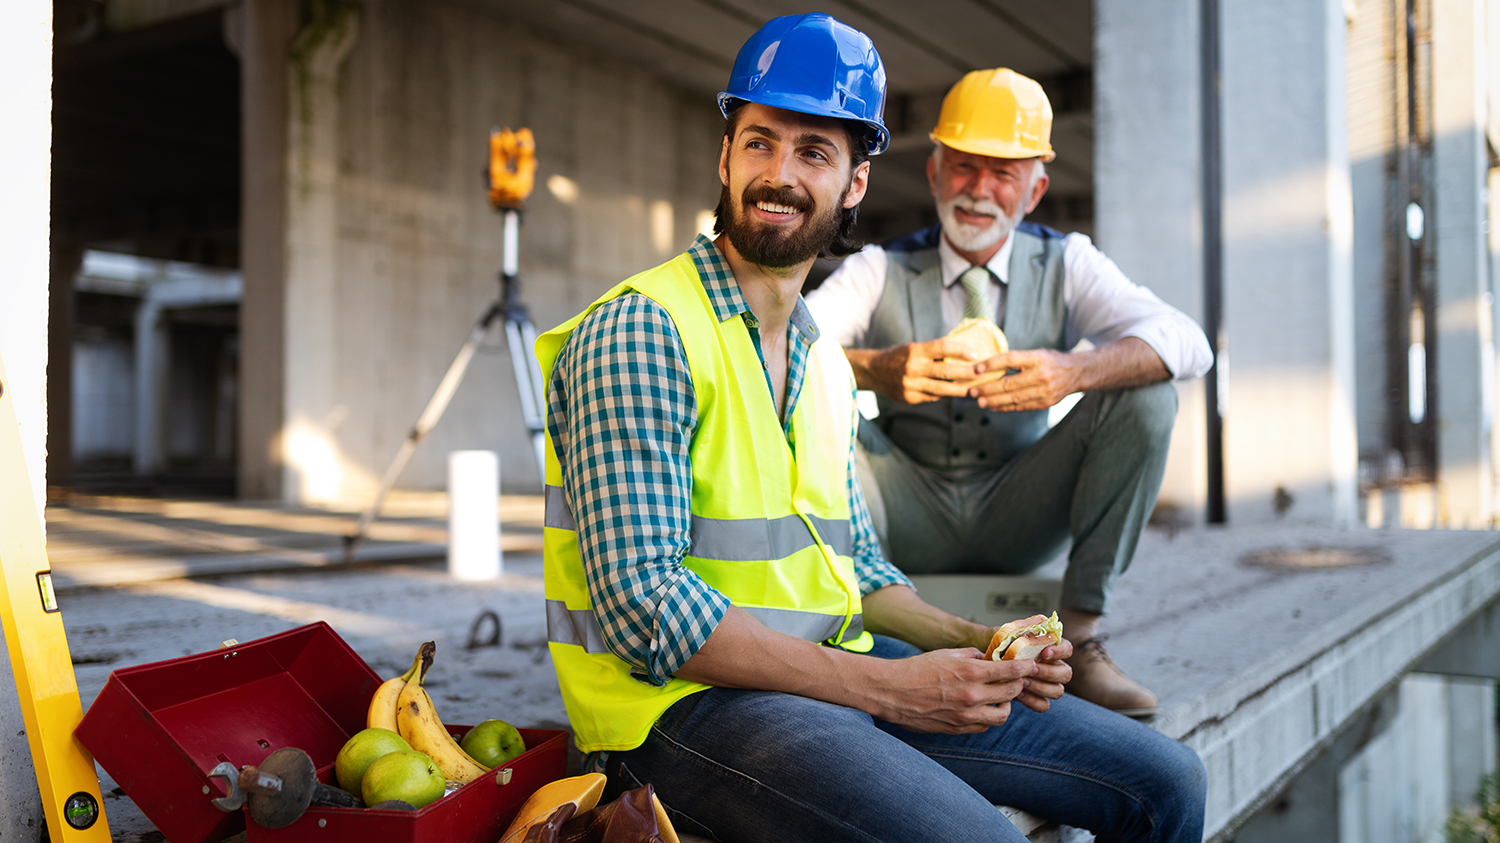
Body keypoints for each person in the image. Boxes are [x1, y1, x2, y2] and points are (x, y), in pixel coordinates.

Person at [537, 14, 1206, 842]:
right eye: (758, 142)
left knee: (1168, 780)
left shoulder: (819, 355)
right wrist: (890, 690)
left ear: (855, 183)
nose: (778, 174)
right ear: (724, 157)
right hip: (681, 712)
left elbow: (855, 565)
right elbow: (645, 608)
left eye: (814, 152)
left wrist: (978, 644)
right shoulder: (644, 330)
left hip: (827, 674)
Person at [805, 68, 1214, 717]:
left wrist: (1072, 371)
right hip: (899, 506)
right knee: (813, 394)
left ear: (1036, 188)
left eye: (1004, 172)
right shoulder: (880, 267)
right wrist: (873, 367)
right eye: (964, 167)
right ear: (936, 173)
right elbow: (781, 348)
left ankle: (1079, 642)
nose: (980, 190)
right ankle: (850, 631)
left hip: (1017, 506)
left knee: (1146, 392)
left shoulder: (1067, 261)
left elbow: (1189, 342)